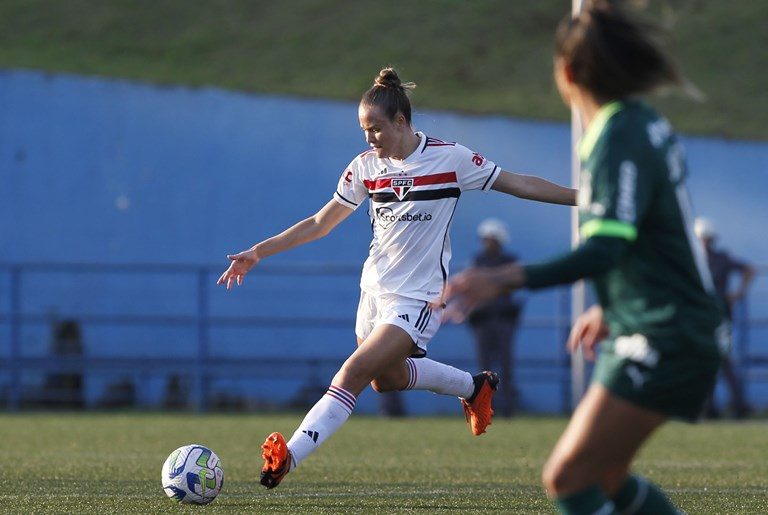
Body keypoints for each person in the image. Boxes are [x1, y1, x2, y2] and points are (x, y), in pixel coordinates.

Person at [217, 67, 577, 490]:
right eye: (364, 130)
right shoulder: (366, 167)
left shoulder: (451, 159)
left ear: (401, 122)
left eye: (376, 129)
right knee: (382, 380)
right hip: (373, 291)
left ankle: (288, 456)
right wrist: (258, 251)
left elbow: (519, 183)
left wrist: (582, 200)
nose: (370, 138)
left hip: (418, 298)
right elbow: (319, 223)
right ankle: (473, 386)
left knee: (350, 374)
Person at [444, 3, 726, 513]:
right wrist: (612, 304)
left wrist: (506, 278)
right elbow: (648, 236)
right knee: (610, 477)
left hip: (666, 332)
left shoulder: (616, 135)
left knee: (569, 478)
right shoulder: (643, 123)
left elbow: (605, 248)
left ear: (568, 73)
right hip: (662, 321)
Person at [695, 217, 755, 418]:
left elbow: (749, 269)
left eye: (706, 238)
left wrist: (738, 294)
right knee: (706, 361)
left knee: (722, 359)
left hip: (720, 317)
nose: (704, 242)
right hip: (700, 317)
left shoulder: (721, 259)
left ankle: (738, 406)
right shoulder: (692, 260)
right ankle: (711, 408)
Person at [466, 218, 522, 416]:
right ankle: (486, 407)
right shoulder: (478, 261)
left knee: (506, 365)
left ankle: (508, 408)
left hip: (503, 321)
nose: (487, 242)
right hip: (482, 321)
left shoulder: (509, 261)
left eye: (491, 239)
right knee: (485, 368)